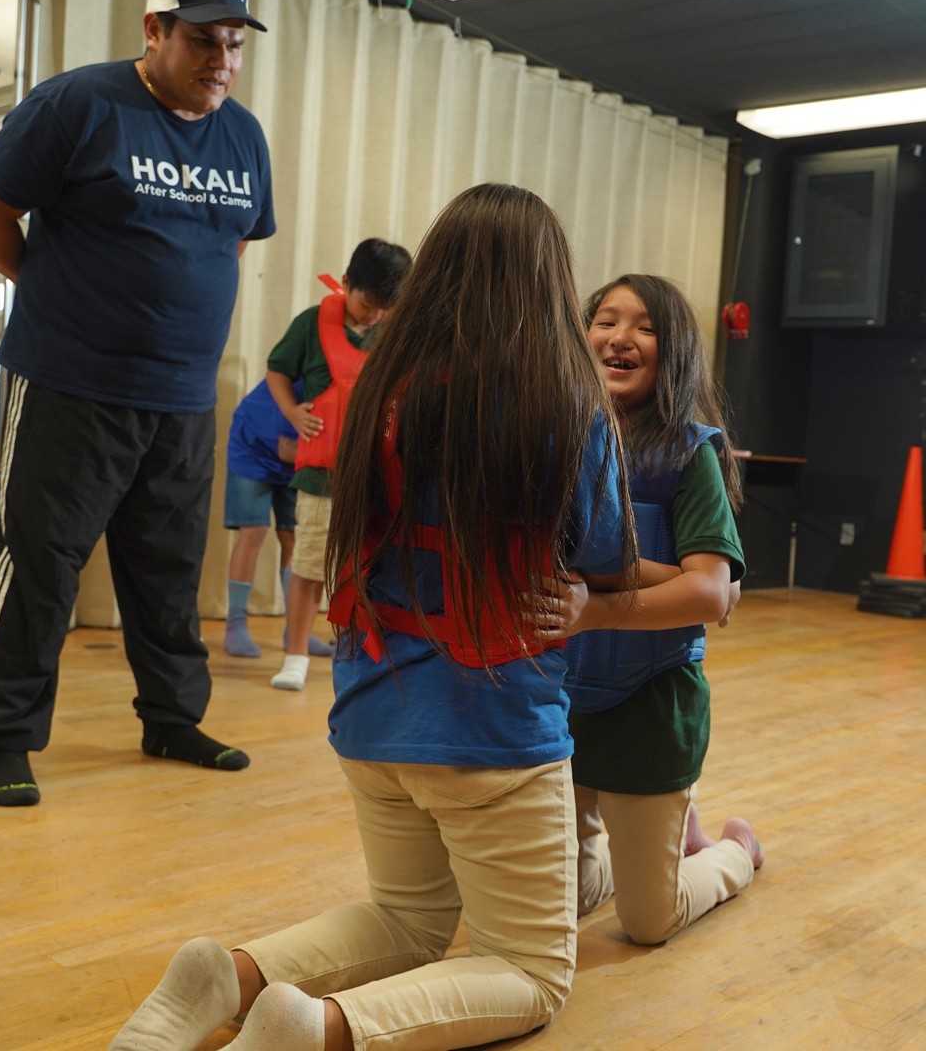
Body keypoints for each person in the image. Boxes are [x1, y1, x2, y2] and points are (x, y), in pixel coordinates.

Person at [108, 183, 636, 1051]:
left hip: (370, 709)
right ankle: (321, 1030)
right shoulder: (570, 401)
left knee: (406, 919)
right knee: (532, 972)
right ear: (551, 283)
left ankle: (233, 974)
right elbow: (607, 559)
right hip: (493, 724)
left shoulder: (380, 381)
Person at [0, 0, 274, 806]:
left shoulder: (244, 137)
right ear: (154, 30)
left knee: (167, 569)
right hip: (70, 380)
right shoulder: (79, 104)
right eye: (203, 39)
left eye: (234, 43)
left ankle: (172, 719)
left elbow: (228, 244)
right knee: (41, 562)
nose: (222, 59)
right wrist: (54, 295)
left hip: (182, 396)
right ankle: (9, 737)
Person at [530, 273, 763, 947]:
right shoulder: (558, 441)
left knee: (648, 922)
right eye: (606, 319)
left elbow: (711, 595)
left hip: (651, 705)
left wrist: (599, 604)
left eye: (645, 326)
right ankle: (655, 838)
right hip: (560, 704)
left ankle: (731, 851)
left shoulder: (691, 453)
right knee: (561, 905)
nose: (620, 337)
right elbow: (705, 587)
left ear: (675, 351)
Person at [265, 239, 412, 692]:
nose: (373, 316)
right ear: (347, 283)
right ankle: (295, 656)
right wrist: (292, 412)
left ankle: (356, 652)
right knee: (309, 566)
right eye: (368, 303)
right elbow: (277, 370)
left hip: (376, 478)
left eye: (384, 308)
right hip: (320, 476)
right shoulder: (311, 323)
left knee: (368, 570)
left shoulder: (395, 330)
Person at [223, 377, 333, 658]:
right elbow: (287, 448)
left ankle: (296, 632)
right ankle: (235, 625)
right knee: (254, 531)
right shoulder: (301, 381)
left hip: (297, 459)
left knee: (293, 537)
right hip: (253, 450)